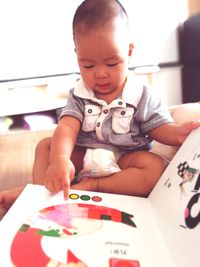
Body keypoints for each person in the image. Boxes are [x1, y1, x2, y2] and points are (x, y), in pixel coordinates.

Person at [0, 0, 199, 211]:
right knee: (46, 147)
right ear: (77, 55)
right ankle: (41, 193)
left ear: (129, 51)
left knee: (154, 168)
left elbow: (158, 126)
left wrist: (177, 134)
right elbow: (67, 127)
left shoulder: (140, 94)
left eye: (112, 63)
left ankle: (95, 187)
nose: (101, 73)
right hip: (85, 155)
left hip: (124, 160)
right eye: (88, 65)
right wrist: (60, 159)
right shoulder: (79, 94)